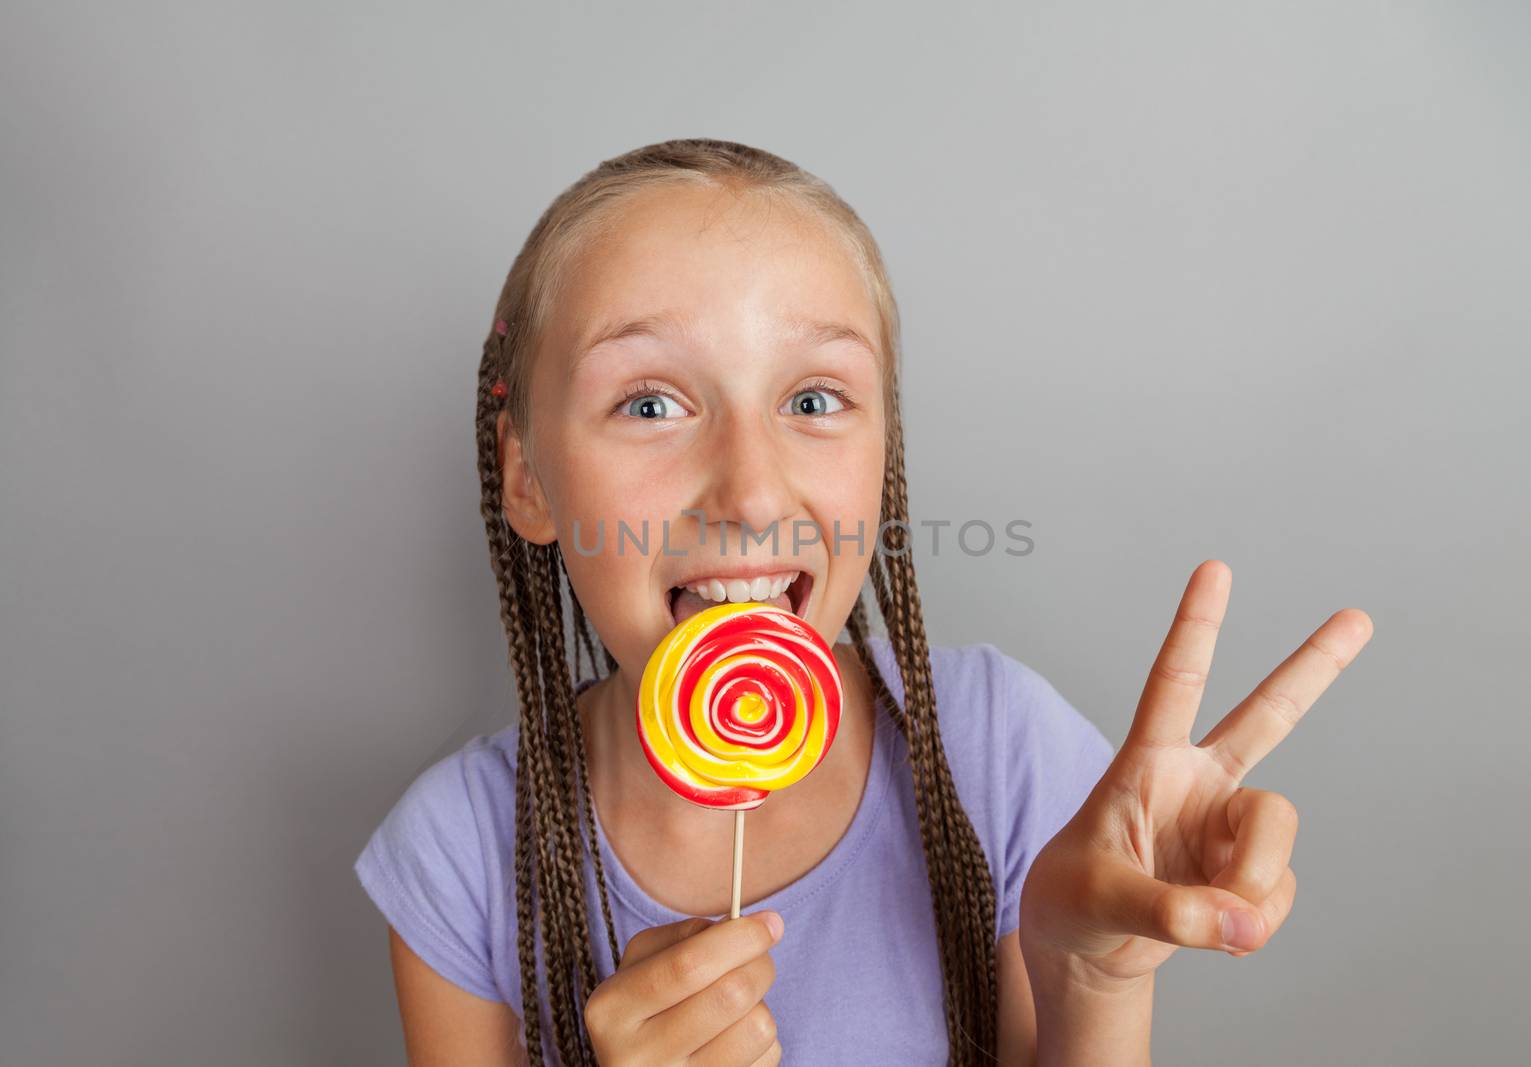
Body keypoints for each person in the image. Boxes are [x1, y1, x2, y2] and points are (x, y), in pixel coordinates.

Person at [353, 138, 1373, 1066]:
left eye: (812, 399)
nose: (750, 491)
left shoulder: (997, 751)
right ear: (526, 477)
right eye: (650, 402)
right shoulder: (462, 853)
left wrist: (1092, 985)